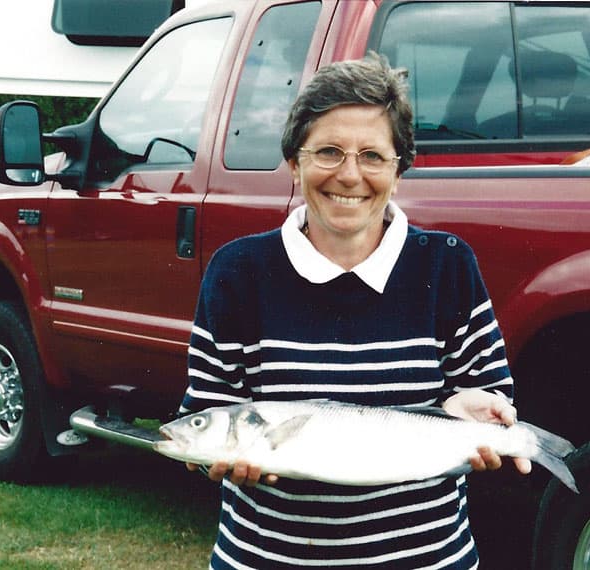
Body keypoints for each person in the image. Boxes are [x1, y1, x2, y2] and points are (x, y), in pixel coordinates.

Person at [179, 52, 531, 569]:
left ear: (399, 169)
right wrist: (218, 460)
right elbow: (204, 414)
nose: (349, 175)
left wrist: (478, 409)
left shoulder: (448, 263)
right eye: (328, 152)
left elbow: (484, 388)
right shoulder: (238, 270)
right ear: (295, 162)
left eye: (372, 155)